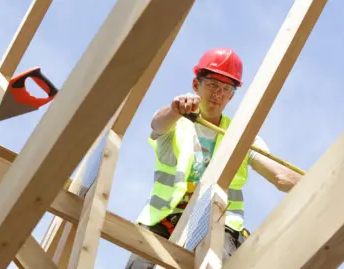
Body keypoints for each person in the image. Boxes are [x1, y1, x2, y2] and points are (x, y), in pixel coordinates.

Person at [125, 48, 302, 269]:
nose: (218, 94)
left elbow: (281, 176)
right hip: (164, 221)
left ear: (232, 96)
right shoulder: (176, 122)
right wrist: (175, 110)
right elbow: (158, 124)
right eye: (212, 85)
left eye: (226, 89)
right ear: (195, 84)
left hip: (218, 224)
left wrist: (328, 179)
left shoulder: (241, 134)